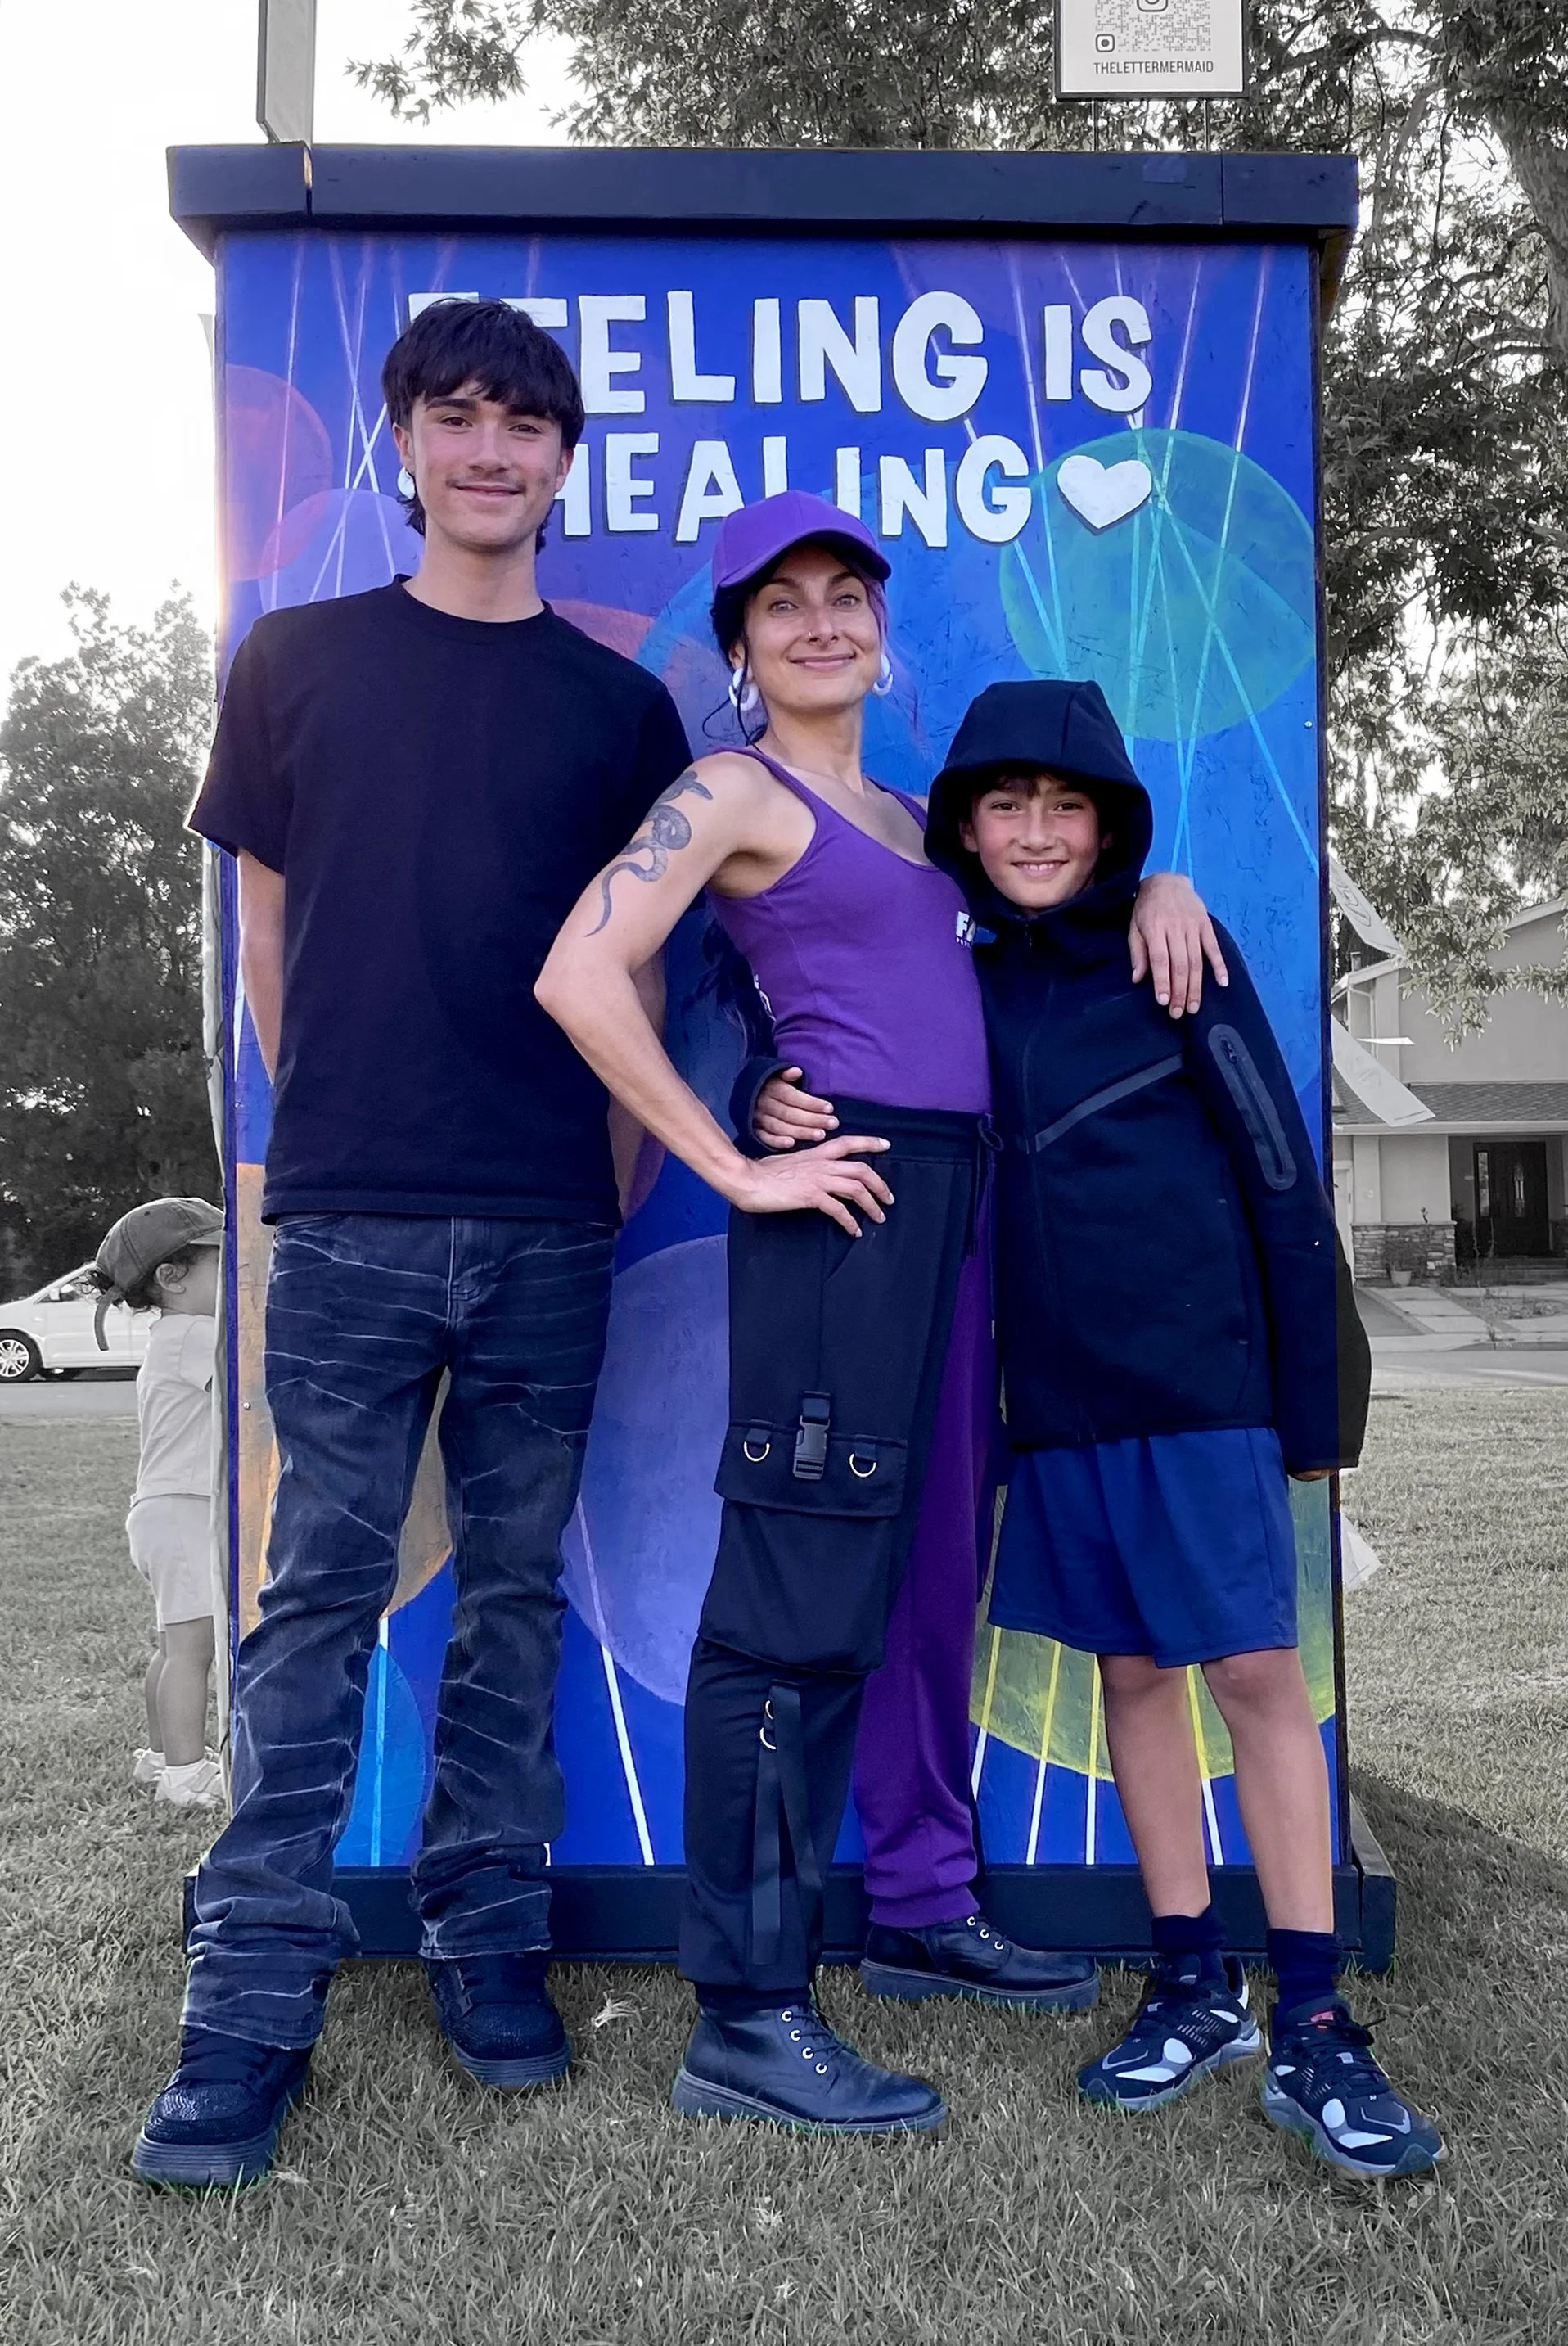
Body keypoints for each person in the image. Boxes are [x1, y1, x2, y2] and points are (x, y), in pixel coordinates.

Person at [536, 491, 1221, 2135]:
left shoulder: (918, 823)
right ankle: (747, 2010)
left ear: (879, 624)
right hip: (844, 1220)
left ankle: (921, 1901)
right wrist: (735, 1154)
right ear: (741, 643)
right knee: (791, 1602)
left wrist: (1160, 886)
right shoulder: (728, 789)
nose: (822, 621)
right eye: (783, 603)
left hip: (964, 1219)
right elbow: (580, 971)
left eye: (847, 593)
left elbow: (1022, 937)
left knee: (926, 1580)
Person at [133, 299, 691, 2190]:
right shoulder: (292, 663)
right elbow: (266, 939)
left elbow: (641, 976)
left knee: (514, 1600)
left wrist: (605, 1167)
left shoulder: (618, 714)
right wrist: (341, 1133)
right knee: (314, 1598)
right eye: (454, 415)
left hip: (548, 1224)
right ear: (403, 443)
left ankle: (484, 1933)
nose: (488, 450)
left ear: (561, 458)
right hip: (350, 1219)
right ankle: (249, 1991)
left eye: (523, 423)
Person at [902, 677, 1440, 2177]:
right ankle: (1191, 1983)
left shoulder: (1174, 950)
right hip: (1056, 1408)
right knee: (1132, 1679)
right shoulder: (957, 979)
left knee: (1255, 1677)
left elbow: (1278, 1167)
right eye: (1005, 804)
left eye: (1066, 805)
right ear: (964, 827)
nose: (1035, 830)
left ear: (1111, 828)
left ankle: (1314, 2018)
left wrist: (1316, 1403)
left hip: (1204, 1390)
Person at [92, 1198, 224, 1812]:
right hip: (184, 1508)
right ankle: (185, 1774)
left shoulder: (170, 1336)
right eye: (222, 1265)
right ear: (172, 1277)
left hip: (164, 1509)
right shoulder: (195, 1335)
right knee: (195, 1647)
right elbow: (257, 1383)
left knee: (175, 1645)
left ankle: (158, 1756)